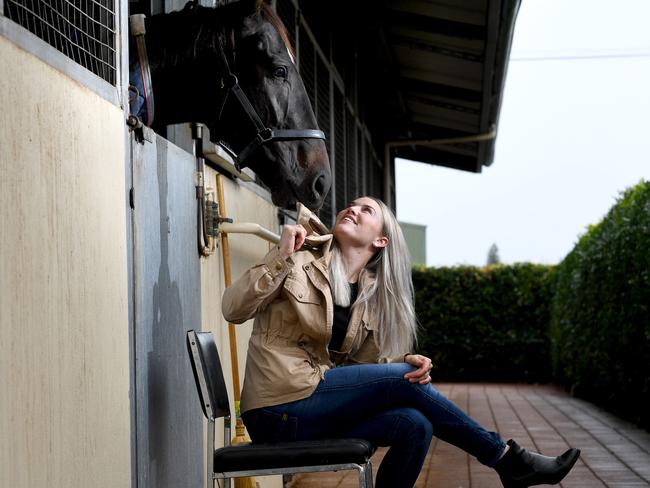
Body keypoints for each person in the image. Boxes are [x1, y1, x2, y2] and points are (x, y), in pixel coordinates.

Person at [222, 197, 580, 488]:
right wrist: (280, 256)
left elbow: (368, 375)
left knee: (414, 423)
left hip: (313, 407)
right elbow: (233, 309)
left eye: (367, 210)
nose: (353, 209)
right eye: (352, 206)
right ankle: (506, 460)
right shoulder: (298, 260)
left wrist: (405, 358)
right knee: (401, 379)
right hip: (276, 408)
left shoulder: (366, 297)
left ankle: (510, 464)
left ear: (381, 241)